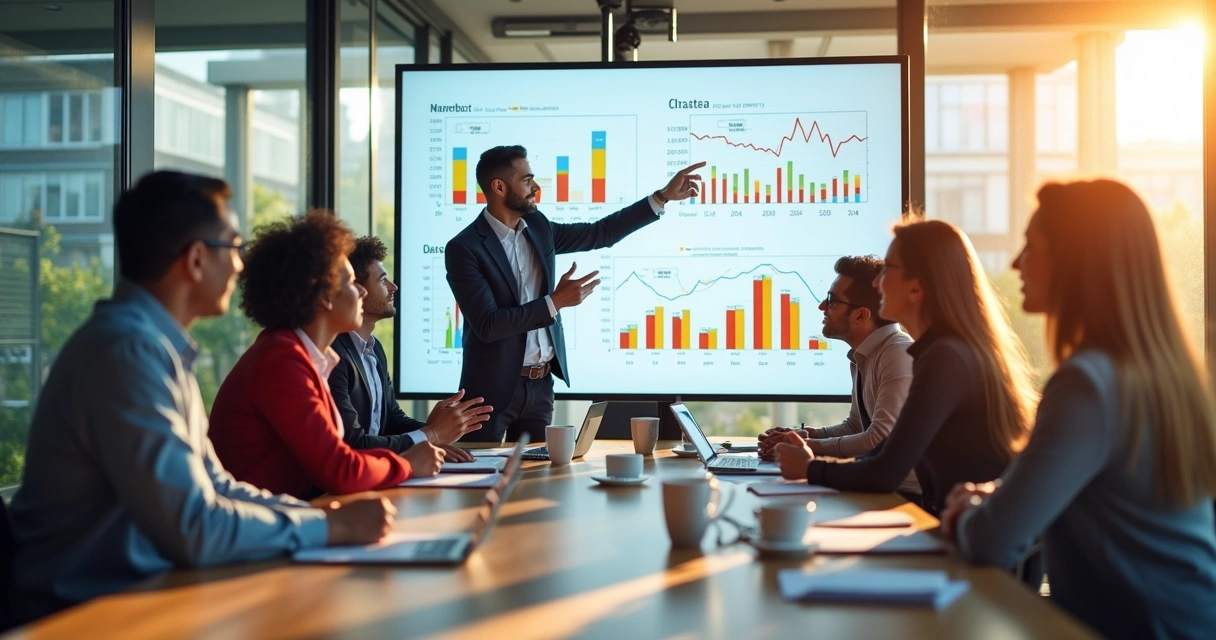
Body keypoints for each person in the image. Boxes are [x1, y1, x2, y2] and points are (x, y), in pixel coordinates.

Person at [5, 171, 395, 623]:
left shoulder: (155, 348)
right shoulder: (129, 353)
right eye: (232, 247)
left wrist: (323, 518)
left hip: (141, 594)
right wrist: (327, 526)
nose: (240, 265)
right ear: (195, 260)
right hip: (86, 615)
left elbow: (217, 487)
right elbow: (194, 527)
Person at [940, 180, 1216, 639]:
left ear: (1075, 262)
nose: (1016, 263)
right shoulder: (1160, 373)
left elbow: (991, 542)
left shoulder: (1087, 384)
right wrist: (994, 500)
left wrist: (966, 513)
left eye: (1031, 246)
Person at [774, 219, 1039, 515]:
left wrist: (810, 468)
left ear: (916, 288)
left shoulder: (944, 357)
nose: (877, 283)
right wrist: (810, 448)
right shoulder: (940, 352)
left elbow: (886, 471)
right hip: (958, 520)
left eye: (887, 269)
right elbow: (877, 450)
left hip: (966, 526)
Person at [447, 145, 704, 443]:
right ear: (499, 187)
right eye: (527, 180)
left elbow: (601, 233)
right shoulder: (465, 248)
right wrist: (555, 302)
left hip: (541, 386)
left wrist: (661, 197)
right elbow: (488, 325)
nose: (536, 187)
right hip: (489, 392)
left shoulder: (539, 227)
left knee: (538, 469)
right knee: (479, 468)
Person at [209, 211, 445, 499]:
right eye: (350, 282)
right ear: (323, 295)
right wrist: (407, 464)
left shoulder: (299, 355)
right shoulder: (281, 360)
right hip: (264, 520)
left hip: (291, 509)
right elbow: (341, 469)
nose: (361, 292)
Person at [756, 256, 919, 497]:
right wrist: (805, 435)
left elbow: (879, 438)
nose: (822, 306)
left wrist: (808, 447)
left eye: (832, 301)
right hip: (880, 490)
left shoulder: (897, 353)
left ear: (861, 316)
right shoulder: (867, 353)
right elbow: (856, 426)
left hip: (906, 498)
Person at [330, 236, 492, 462]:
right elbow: (354, 444)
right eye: (383, 280)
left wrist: (440, 430)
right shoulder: (334, 356)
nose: (393, 287)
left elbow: (391, 420)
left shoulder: (374, 350)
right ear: (358, 291)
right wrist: (431, 435)